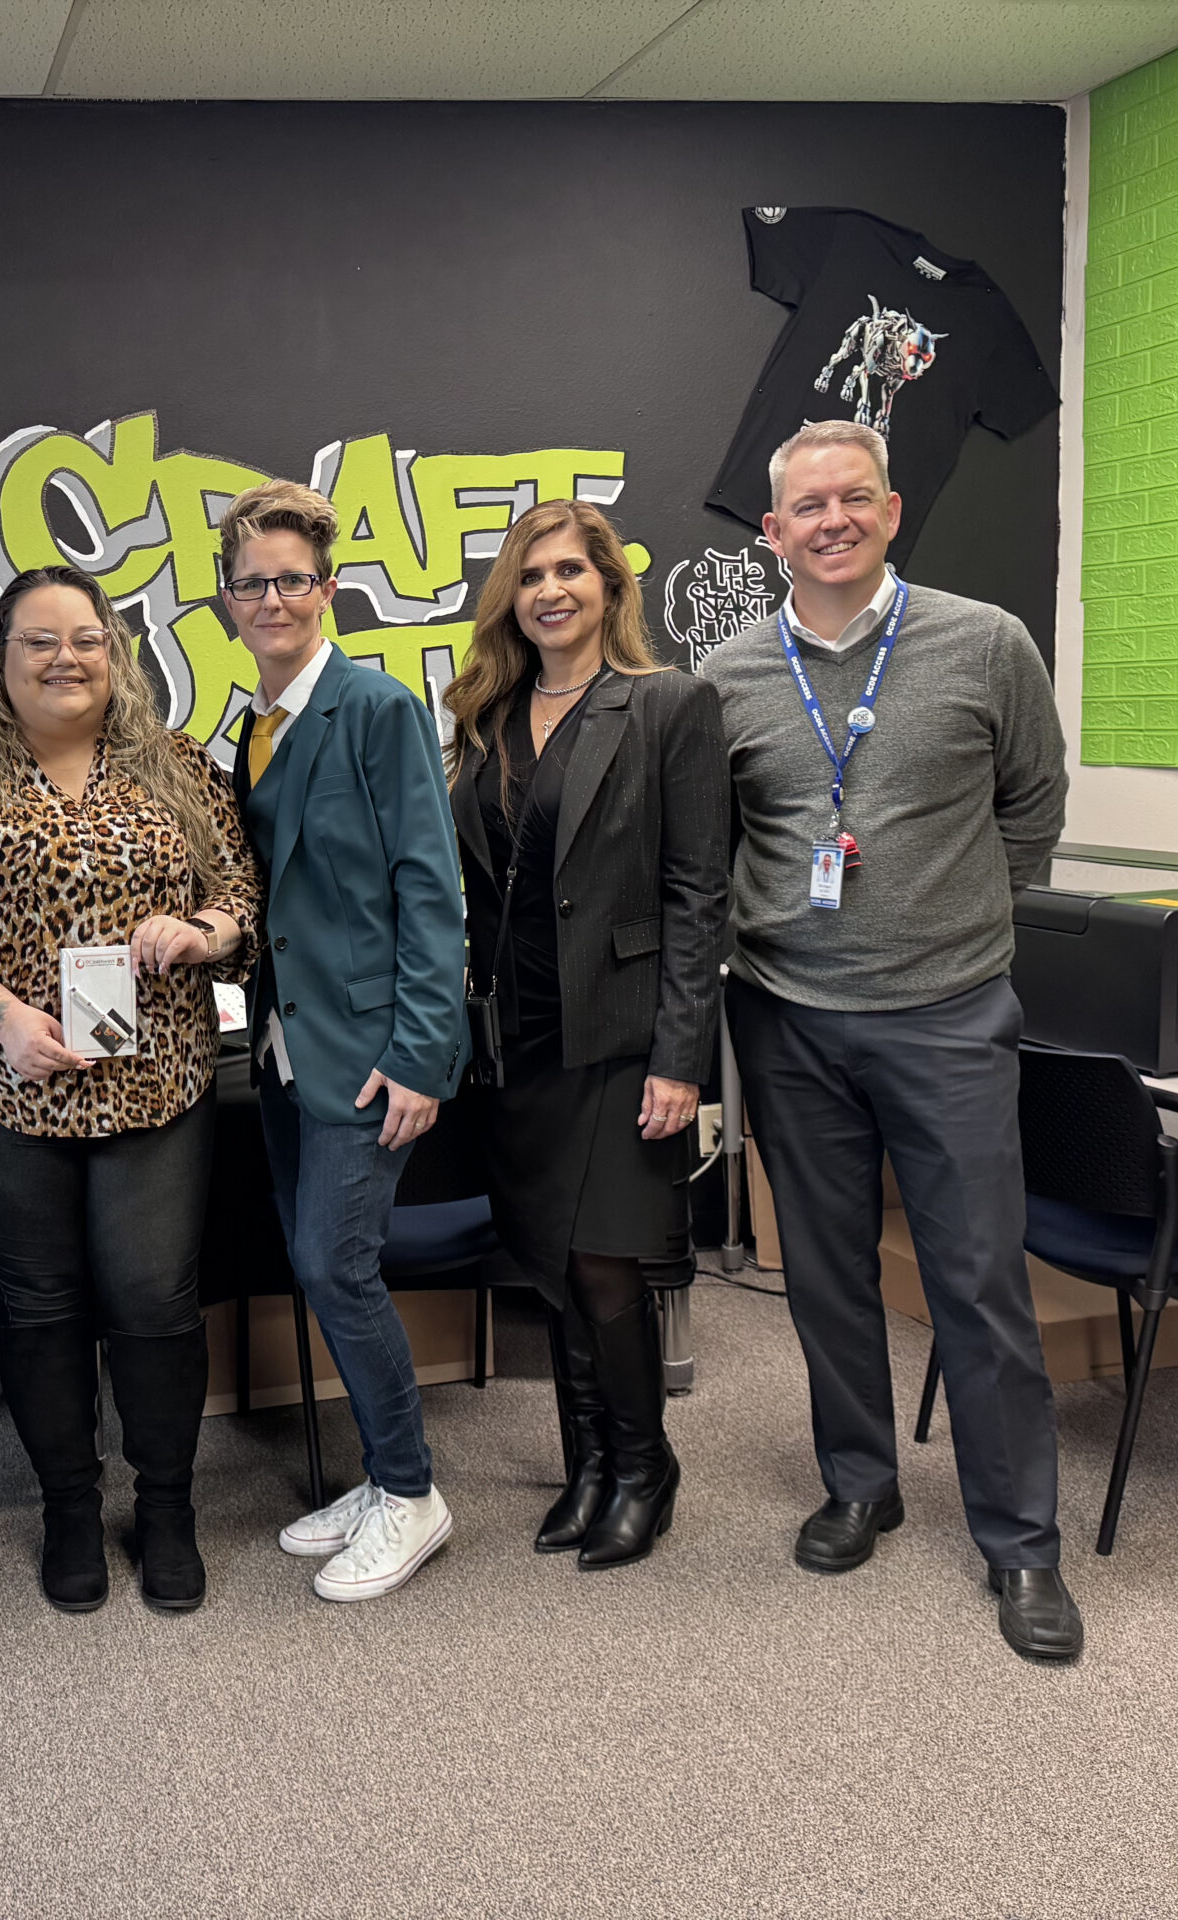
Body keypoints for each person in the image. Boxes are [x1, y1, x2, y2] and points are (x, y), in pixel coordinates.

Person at [705, 419, 1081, 1662]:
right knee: (821, 1273)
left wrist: (963, 917)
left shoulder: (985, 642)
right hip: (790, 1016)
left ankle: (1020, 1545)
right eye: (805, 506)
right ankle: (860, 1482)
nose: (830, 520)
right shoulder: (729, 673)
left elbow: (1032, 800)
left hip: (947, 1014)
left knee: (976, 1283)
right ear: (773, 534)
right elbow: (717, 840)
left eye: (851, 499)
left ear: (891, 509)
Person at [0, 566, 261, 1614]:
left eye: (84, 638)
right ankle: (70, 1509)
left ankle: (167, 1507)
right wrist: (0, 1018)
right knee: (38, 1307)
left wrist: (202, 933)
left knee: (152, 1301)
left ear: (113, 651)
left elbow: (240, 897)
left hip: (156, 1079)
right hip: (4, 1088)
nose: (64, 658)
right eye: (38, 641)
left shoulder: (176, 766)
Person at [442, 500, 729, 1570]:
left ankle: (643, 1465)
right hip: (518, 1039)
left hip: (619, 1036)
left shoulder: (668, 706)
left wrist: (680, 1060)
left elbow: (700, 895)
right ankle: (589, 1468)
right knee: (554, 1265)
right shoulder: (487, 714)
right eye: (529, 575)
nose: (549, 591)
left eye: (569, 570)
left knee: (607, 1265)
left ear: (609, 585)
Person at [218, 479, 469, 1603]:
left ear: (325, 588)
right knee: (317, 1265)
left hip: (370, 1048)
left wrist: (424, 1051)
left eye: (292, 578)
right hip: (283, 1047)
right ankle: (382, 1474)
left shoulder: (373, 707)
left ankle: (412, 1492)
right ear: (228, 600)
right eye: (251, 581)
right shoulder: (255, 722)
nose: (272, 597)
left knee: (337, 1263)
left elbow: (431, 885)